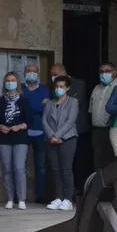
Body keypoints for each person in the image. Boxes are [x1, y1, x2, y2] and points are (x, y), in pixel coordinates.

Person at [49, 63, 89, 194]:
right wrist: (55, 135)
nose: (53, 78)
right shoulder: (53, 88)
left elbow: (73, 106)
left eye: (55, 74)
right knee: (59, 167)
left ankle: (78, 192)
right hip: (57, 133)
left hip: (77, 130)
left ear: (62, 72)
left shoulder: (79, 84)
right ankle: (61, 194)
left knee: (79, 163)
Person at [0, 72, 31, 210]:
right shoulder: (0, 101)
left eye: (13, 80)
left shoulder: (24, 101)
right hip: (3, 138)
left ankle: (21, 199)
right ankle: (9, 198)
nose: (10, 83)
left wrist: (19, 126)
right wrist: (0, 126)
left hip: (20, 138)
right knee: (7, 168)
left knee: (19, 167)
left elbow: (30, 121)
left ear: (18, 83)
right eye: (8, 80)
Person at [43, 75, 79, 211]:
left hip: (67, 138)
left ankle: (68, 199)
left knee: (66, 169)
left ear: (67, 88)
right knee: (55, 170)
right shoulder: (50, 103)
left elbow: (70, 121)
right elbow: (44, 121)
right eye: (57, 86)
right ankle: (58, 197)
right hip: (51, 140)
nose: (58, 89)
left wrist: (58, 135)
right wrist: (52, 136)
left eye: (61, 87)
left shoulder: (73, 102)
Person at [22, 63, 50, 204]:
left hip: (41, 132)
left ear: (38, 73)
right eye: (28, 71)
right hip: (23, 131)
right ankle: (20, 195)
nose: (31, 73)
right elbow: (23, 109)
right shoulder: (20, 89)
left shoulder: (45, 90)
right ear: (24, 73)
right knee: (20, 165)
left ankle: (40, 196)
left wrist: (30, 108)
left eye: (34, 71)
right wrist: (39, 106)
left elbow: (48, 108)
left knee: (41, 167)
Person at [88, 62, 117, 170]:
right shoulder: (96, 88)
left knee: (111, 159)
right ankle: (98, 185)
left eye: (107, 71)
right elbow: (91, 110)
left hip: (111, 129)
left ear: (114, 72)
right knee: (98, 159)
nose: (103, 74)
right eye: (101, 71)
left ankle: (111, 186)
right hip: (96, 130)